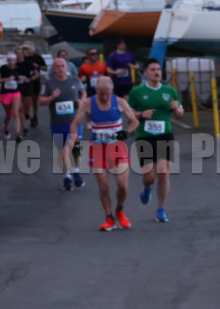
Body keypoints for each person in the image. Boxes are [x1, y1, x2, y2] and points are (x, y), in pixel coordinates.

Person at [71, 75, 138, 230]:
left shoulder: (119, 102)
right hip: (98, 149)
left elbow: (134, 121)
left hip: (117, 148)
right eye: (101, 94)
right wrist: (75, 142)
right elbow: (75, 124)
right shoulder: (88, 103)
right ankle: (109, 218)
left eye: (107, 93)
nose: (105, 97)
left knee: (122, 185)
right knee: (103, 187)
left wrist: (125, 132)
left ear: (112, 90)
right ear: (96, 91)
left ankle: (120, 210)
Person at [128, 59, 183, 223]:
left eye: (158, 69)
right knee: (149, 177)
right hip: (145, 136)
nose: (157, 72)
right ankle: (147, 188)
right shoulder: (137, 92)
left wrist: (176, 109)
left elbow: (180, 112)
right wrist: (140, 114)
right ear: (145, 73)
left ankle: (161, 208)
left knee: (163, 174)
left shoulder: (169, 91)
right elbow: (128, 112)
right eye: (152, 69)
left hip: (165, 135)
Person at [43, 54, 86, 191]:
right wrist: (52, 97)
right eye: (57, 66)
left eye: (62, 66)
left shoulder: (75, 80)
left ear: (67, 67)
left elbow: (83, 92)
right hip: (57, 123)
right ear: (54, 69)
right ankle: (67, 176)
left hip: (74, 122)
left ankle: (76, 171)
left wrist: (82, 101)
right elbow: (41, 101)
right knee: (62, 151)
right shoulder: (49, 84)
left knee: (75, 148)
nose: (60, 68)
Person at [15, 41, 46, 131]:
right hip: (24, 83)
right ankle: (28, 116)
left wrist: (38, 66)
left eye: (28, 49)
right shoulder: (22, 58)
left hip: (35, 81)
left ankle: (34, 116)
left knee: (34, 101)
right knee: (26, 100)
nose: (27, 51)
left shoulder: (37, 57)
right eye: (25, 49)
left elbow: (45, 68)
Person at [0, 52, 23, 141]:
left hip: (15, 93)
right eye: (9, 60)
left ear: (15, 60)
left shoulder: (18, 68)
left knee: (15, 113)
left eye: (13, 60)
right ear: (7, 60)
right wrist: (7, 79)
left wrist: (20, 79)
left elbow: (20, 78)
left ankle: (18, 134)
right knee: (9, 114)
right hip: (5, 93)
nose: (11, 62)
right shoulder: (3, 68)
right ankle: (5, 127)